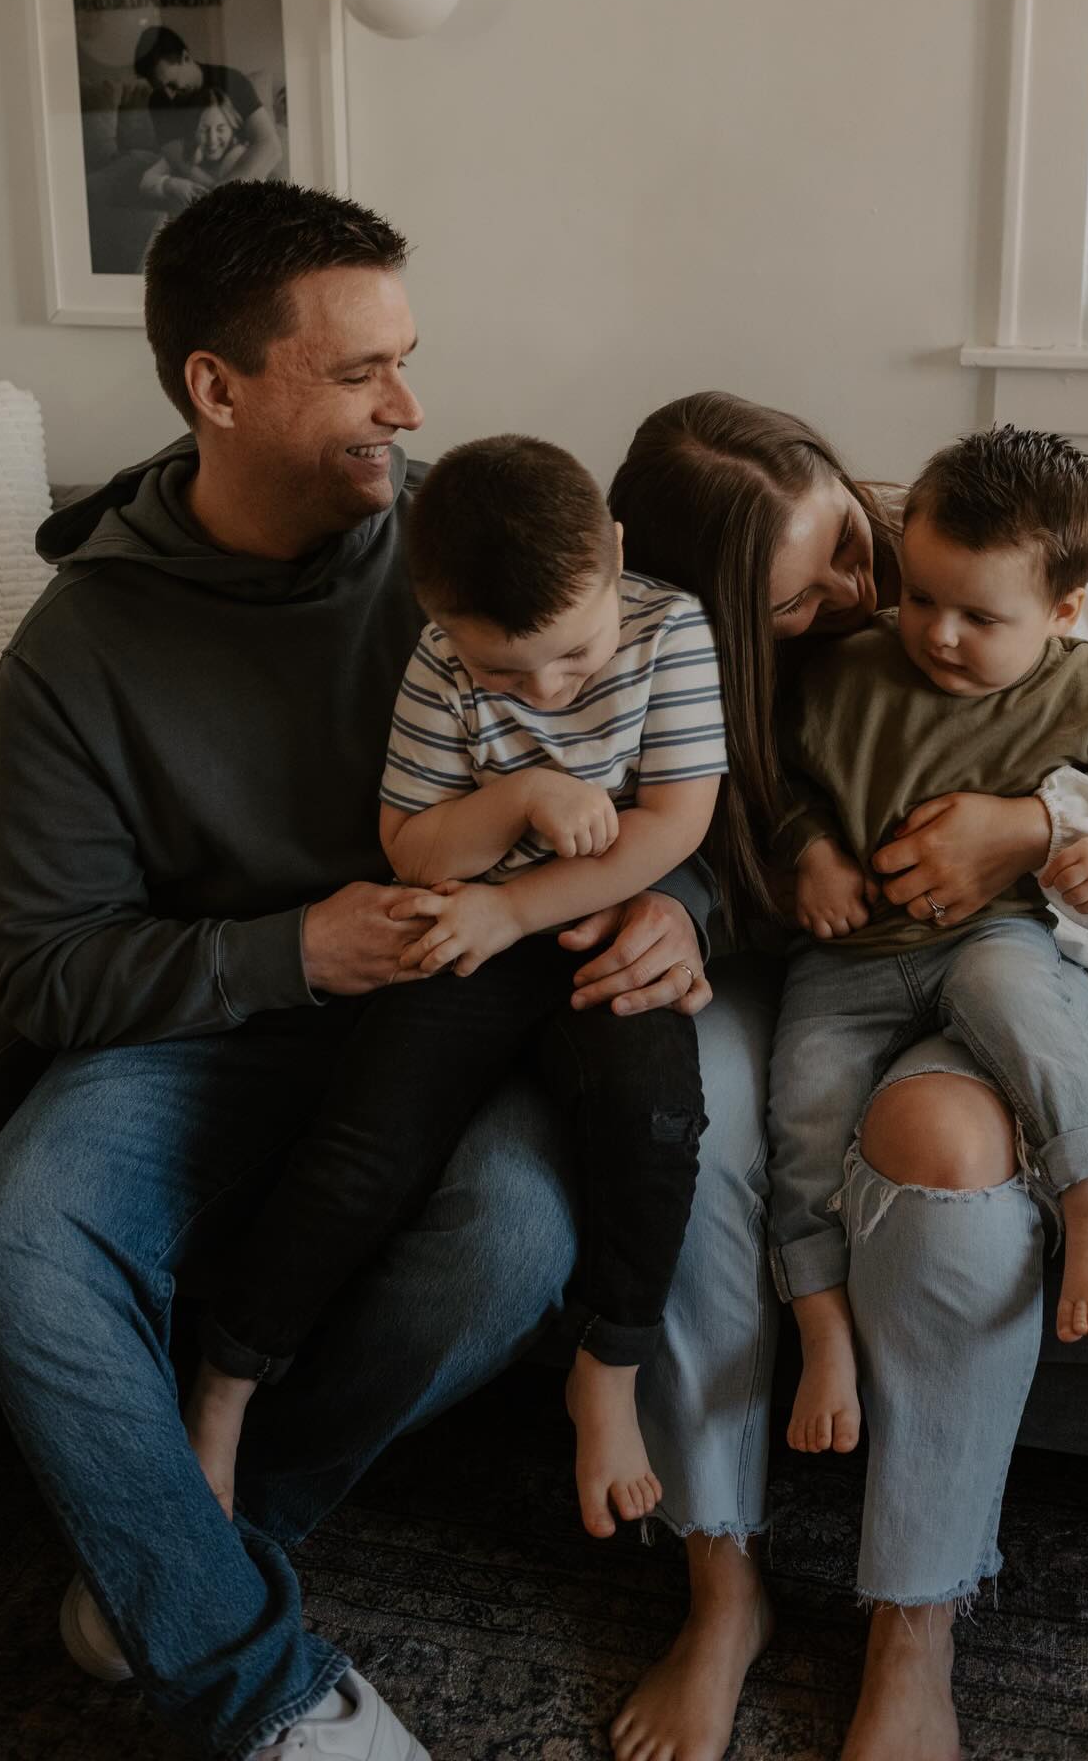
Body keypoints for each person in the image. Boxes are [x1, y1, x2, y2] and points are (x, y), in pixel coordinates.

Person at [0, 182, 714, 1761]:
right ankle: (260, 1688)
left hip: (467, 1006)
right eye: (362, 374)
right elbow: (45, 972)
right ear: (216, 389)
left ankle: (184, 1547)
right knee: (17, 1238)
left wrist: (684, 901)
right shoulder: (77, 654)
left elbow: (652, 765)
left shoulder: (466, 559)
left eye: (407, 360)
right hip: (220, 1026)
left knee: (511, 1229)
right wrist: (291, 947)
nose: (410, 407)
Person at [602, 392, 1088, 1761]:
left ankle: (916, 1615)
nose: (862, 592)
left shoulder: (981, 568)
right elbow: (654, 821)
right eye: (798, 596)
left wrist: (1032, 822)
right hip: (799, 965)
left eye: (844, 543)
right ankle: (722, 1581)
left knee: (940, 1143)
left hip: (991, 949)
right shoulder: (668, 651)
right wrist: (690, 906)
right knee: (685, 1116)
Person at [183, 433, 726, 1540]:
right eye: (504, 673)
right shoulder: (439, 659)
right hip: (462, 929)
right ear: (439, 617)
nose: (549, 687)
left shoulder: (672, 629)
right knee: (362, 1151)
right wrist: (523, 794)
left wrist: (520, 905)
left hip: (594, 929)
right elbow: (415, 847)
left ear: (616, 555)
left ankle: (609, 1362)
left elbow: (677, 821)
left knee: (655, 1117)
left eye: (573, 656)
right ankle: (226, 1385)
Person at [770, 424, 1088, 1458]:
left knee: (1017, 1004)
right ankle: (820, 1322)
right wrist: (808, 850)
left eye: (982, 616)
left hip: (997, 933)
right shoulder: (845, 671)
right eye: (921, 598)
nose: (940, 634)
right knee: (801, 1107)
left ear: (1065, 613)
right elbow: (774, 785)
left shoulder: (1085, 688)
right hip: (844, 960)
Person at [133, 26, 282, 197]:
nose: (168, 95)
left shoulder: (231, 80)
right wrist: (212, 193)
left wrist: (226, 192)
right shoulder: (158, 101)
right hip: (205, 186)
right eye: (159, 87)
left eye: (172, 84)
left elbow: (270, 145)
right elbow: (179, 161)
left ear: (185, 57)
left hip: (242, 179)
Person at [140, 86, 253, 209]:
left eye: (221, 129)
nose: (212, 139)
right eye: (203, 130)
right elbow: (146, 182)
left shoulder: (241, 156)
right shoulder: (181, 150)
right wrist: (170, 185)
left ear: (232, 129)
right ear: (192, 130)